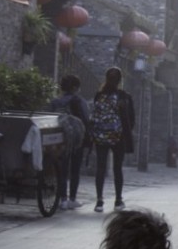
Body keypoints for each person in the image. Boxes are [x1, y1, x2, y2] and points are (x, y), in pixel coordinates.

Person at [89, 67, 135, 211]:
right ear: (120, 80)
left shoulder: (99, 95)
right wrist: (125, 132)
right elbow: (131, 119)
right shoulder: (124, 96)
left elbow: (93, 115)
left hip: (100, 136)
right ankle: (118, 201)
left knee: (100, 168)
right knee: (117, 168)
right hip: (118, 136)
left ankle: (99, 201)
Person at [50, 74, 90, 211]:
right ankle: (72, 198)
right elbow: (86, 118)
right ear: (75, 87)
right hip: (77, 138)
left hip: (61, 138)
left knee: (62, 169)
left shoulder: (56, 102)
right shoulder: (80, 101)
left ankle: (63, 199)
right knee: (75, 169)